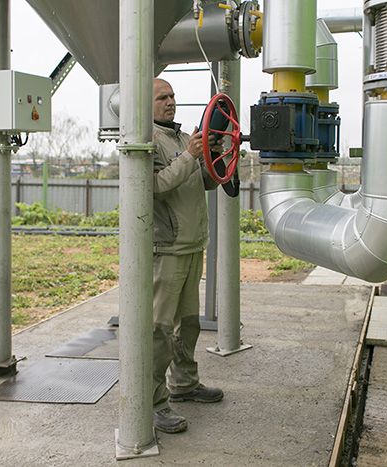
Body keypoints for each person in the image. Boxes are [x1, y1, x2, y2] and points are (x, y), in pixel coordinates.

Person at [151, 78, 224, 434]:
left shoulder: (182, 139)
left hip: (193, 244)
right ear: (144, 104)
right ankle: (150, 403)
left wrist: (216, 154)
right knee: (158, 331)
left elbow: (206, 182)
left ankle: (184, 384)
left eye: (173, 96)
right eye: (162, 97)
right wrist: (191, 155)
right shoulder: (146, 142)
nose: (170, 102)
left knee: (189, 324)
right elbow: (155, 186)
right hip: (166, 250)